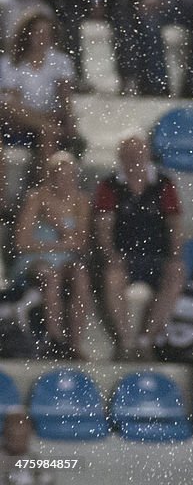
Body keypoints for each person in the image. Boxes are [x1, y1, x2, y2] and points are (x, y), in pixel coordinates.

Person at [92, 133, 185, 359]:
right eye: (129, 154)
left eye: (139, 153)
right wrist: (110, 254)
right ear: (121, 157)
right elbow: (104, 226)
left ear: (147, 155)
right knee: (113, 276)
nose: (134, 159)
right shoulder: (110, 185)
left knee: (176, 273)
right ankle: (125, 340)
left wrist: (174, 255)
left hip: (156, 255)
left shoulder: (164, 184)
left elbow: (174, 223)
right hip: (124, 256)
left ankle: (146, 340)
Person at [13, 152, 90, 360]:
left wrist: (57, 224)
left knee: (80, 275)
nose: (63, 181)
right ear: (49, 176)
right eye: (58, 175)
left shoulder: (81, 201)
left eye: (68, 176)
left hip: (65, 259)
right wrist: (60, 244)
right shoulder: (36, 198)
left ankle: (75, 343)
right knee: (50, 275)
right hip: (35, 259)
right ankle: (55, 340)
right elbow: (21, 244)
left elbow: (81, 244)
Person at [0, 13, 82, 179]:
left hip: (49, 117)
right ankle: (45, 126)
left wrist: (69, 121)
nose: (42, 37)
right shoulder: (11, 60)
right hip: (20, 121)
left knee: (48, 132)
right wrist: (40, 120)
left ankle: (43, 187)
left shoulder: (60, 61)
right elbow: (12, 100)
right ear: (27, 34)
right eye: (37, 32)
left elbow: (65, 96)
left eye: (46, 33)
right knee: (8, 104)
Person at [0, 410, 56, 485]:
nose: (16, 431)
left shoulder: (40, 463)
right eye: (12, 426)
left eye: (22, 427)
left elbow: (48, 480)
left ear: (30, 433)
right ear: (5, 432)